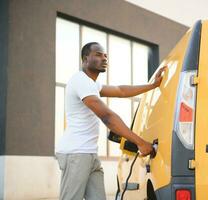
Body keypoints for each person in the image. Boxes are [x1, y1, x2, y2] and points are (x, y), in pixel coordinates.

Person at [55, 42, 166, 200]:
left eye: (105, 55)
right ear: (85, 59)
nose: (104, 58)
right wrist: (140, 142)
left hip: (89, 154)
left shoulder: (92, 84)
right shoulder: (80, 81)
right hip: (76, 154)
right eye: (98, 55)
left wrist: (152, 85)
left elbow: (120, 91)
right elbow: (107, 117)